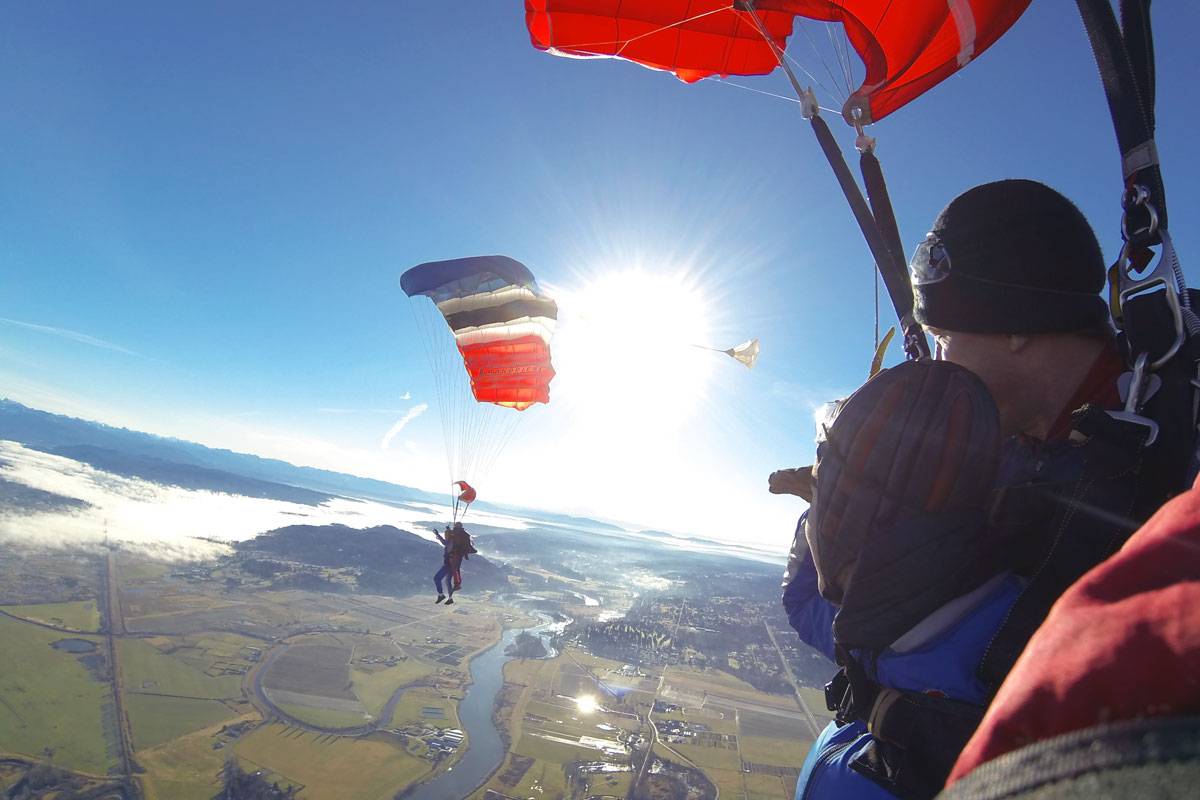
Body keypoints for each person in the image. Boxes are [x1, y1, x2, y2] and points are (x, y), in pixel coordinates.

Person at [782, 179, 1189, 797]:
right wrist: (832, 521)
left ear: (1015, 326)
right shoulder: (999, 451)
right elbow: (867, 624)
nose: (937, 366)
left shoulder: (1157, 457)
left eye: (945, 339)